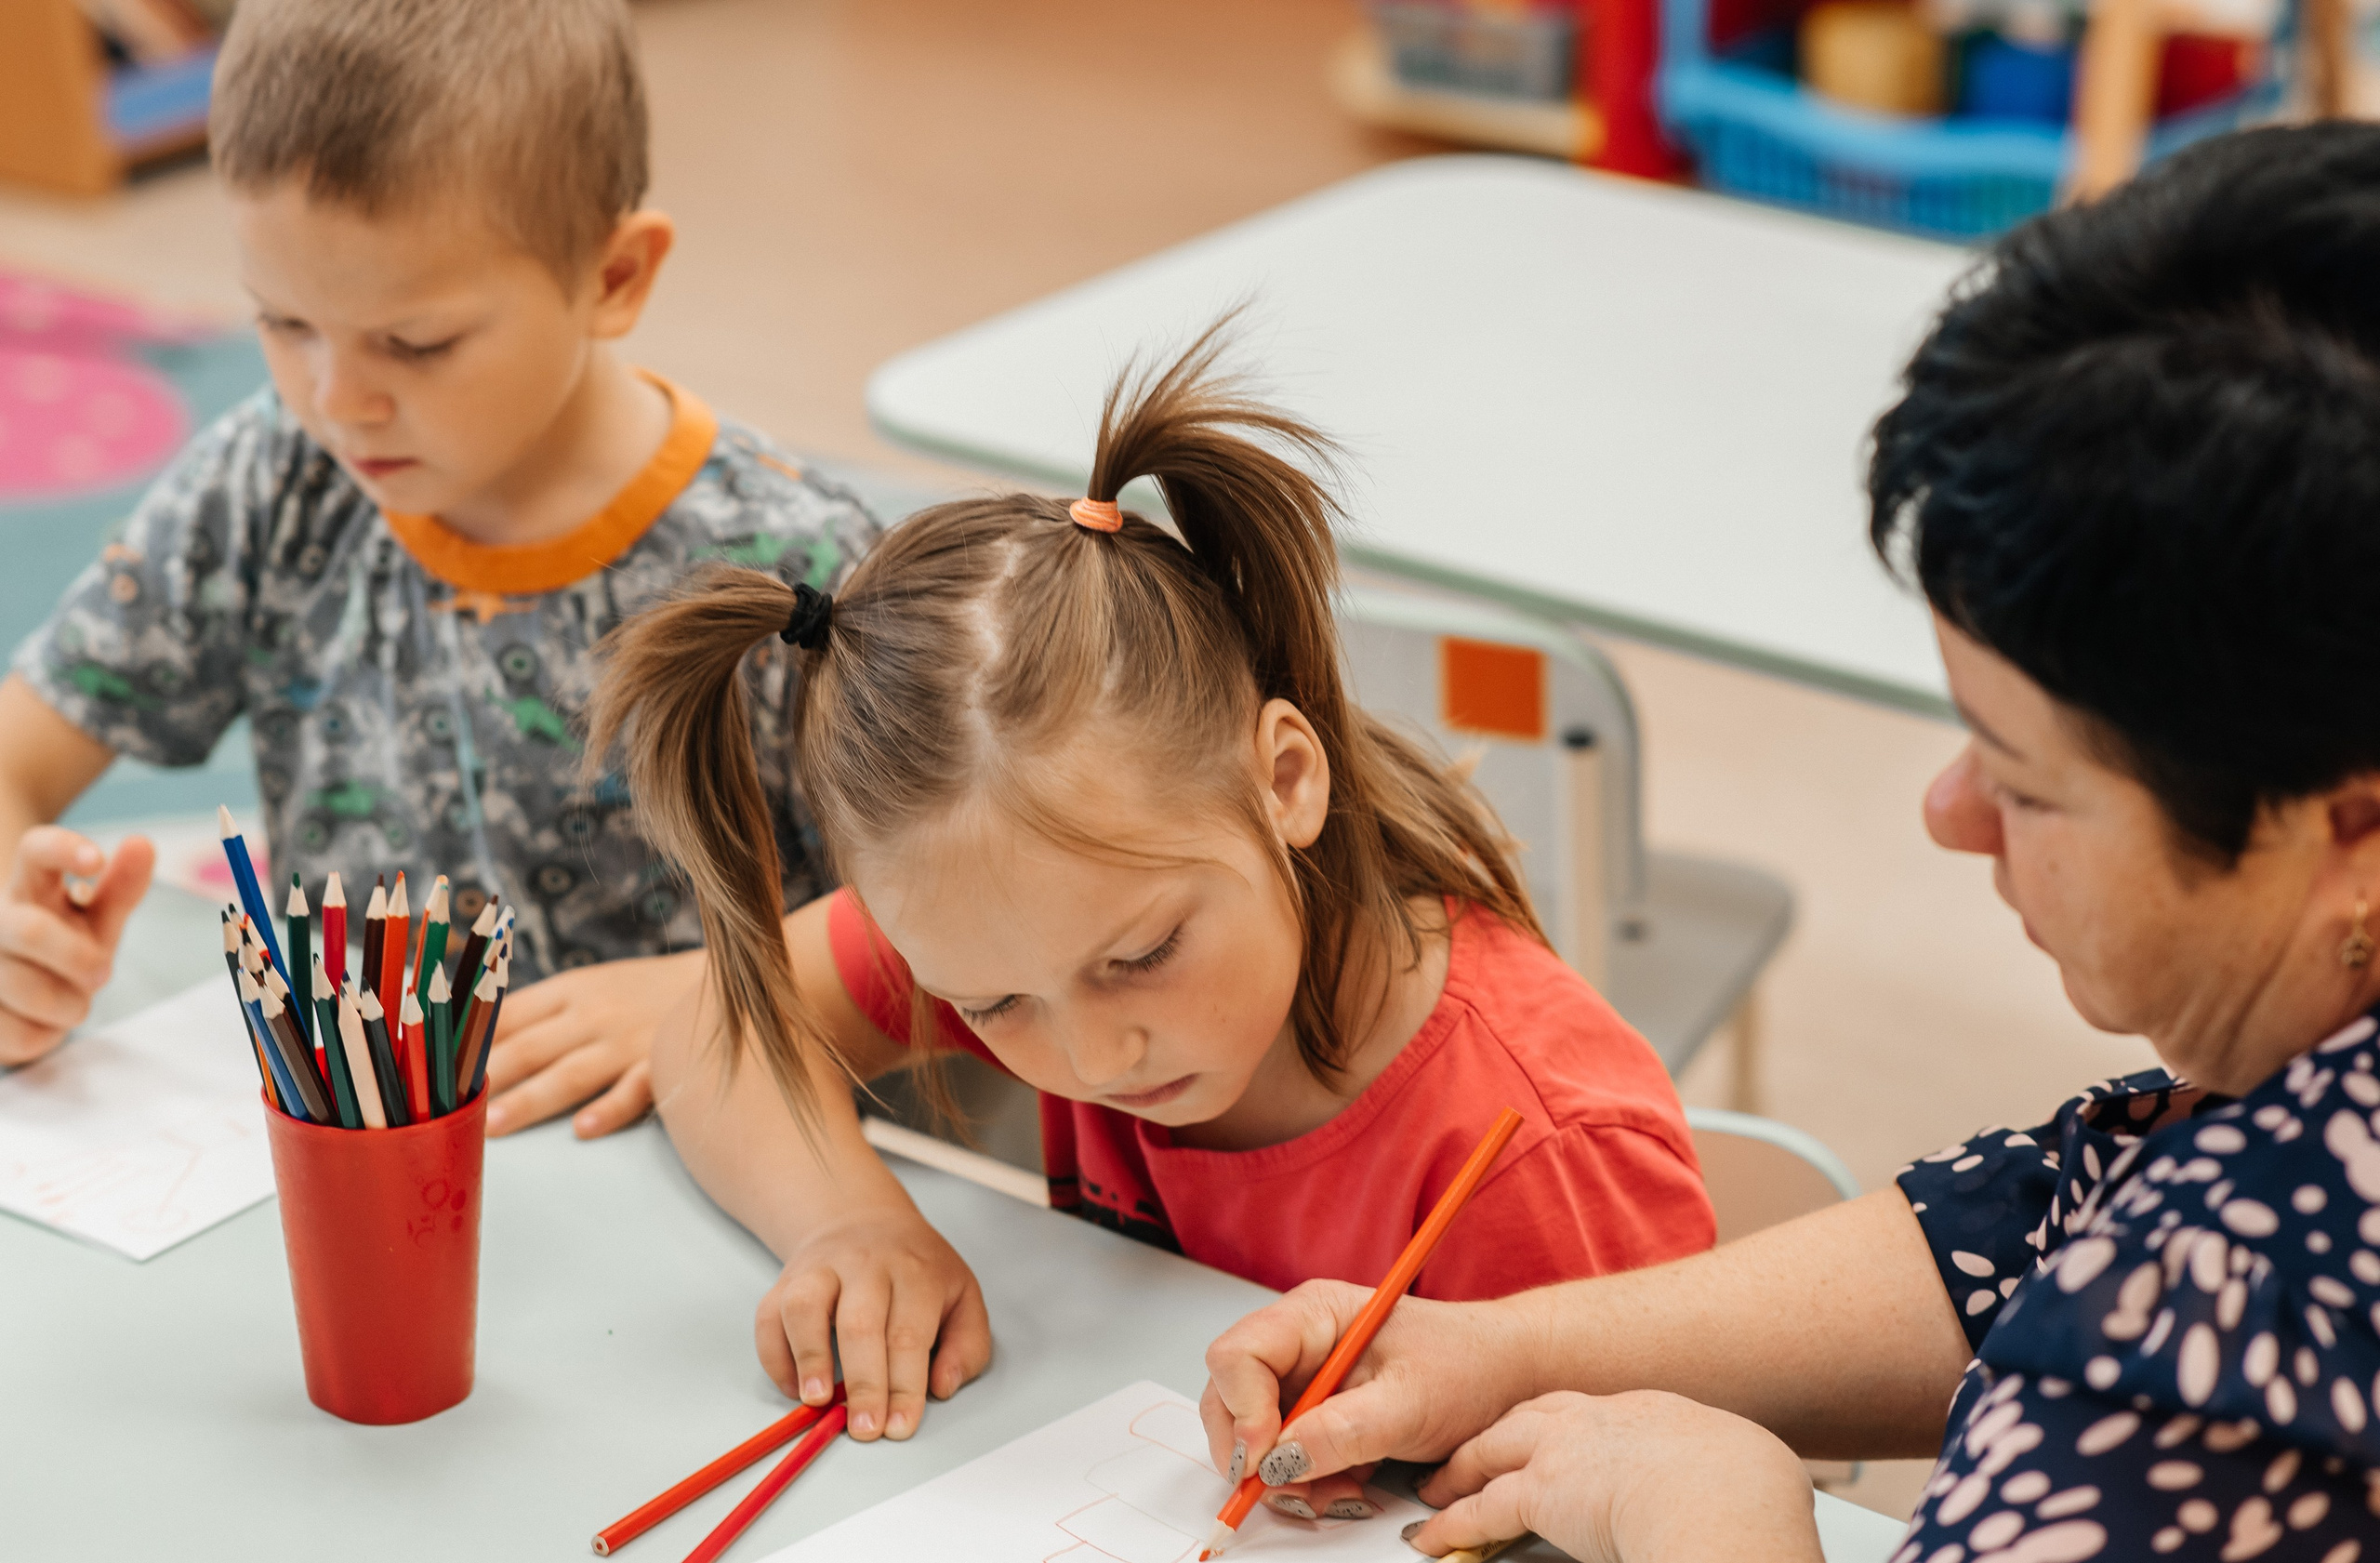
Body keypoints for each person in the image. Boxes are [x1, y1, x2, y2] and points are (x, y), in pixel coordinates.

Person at [1195, 123, 2380, 1561]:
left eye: (2026, 779)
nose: (1949, 814)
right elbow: (2041, 1226)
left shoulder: (2227, 1333)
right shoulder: (2251, 1170)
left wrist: (1724, 1520)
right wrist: (1492, 1349)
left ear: (2349, 827)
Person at [585, 329, 1716, 1458]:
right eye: (990, 1008)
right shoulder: (1029, 915)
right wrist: (849, 1222)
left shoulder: (1539, 1149)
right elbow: (721, 1029)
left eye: (1143, 956)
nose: (1094, 1062)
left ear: (1284, 780)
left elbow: (1674, 1481)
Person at [0, 0, 876, 1145]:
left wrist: (718, 999)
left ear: (613, 275)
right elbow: (20, 751)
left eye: (415, 344)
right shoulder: (272, 476)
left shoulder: (790, 564)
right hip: (364, 1156)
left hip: (714, 1160)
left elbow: (954, 921)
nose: (336, 398)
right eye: (283, 321)